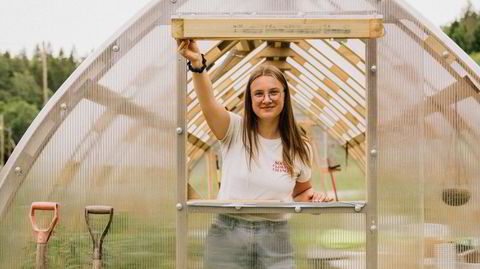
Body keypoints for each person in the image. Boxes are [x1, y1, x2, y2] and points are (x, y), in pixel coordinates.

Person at [177, 39, 332, 269]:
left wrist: (315, 197)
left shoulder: (300, 146)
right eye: (258, 93)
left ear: (285, 95)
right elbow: (208, 103)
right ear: (250, 99)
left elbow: (302, 191)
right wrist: (198, 65)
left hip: (275, 237)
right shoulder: (234, 130)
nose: (266, 99)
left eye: (273, 92)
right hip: (228, 234)